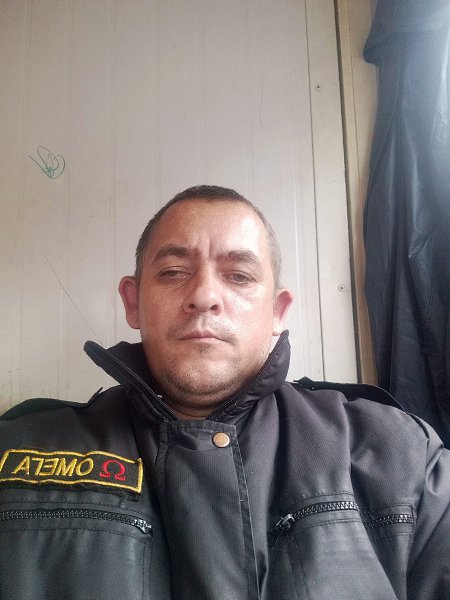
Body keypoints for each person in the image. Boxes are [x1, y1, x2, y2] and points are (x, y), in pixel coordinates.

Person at [0, 185, 449, 600]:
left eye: (238, 276)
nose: (204, 295)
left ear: (277, 311)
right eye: (174, 271)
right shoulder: (16, 447)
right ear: (133, 303)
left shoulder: (400, 453)